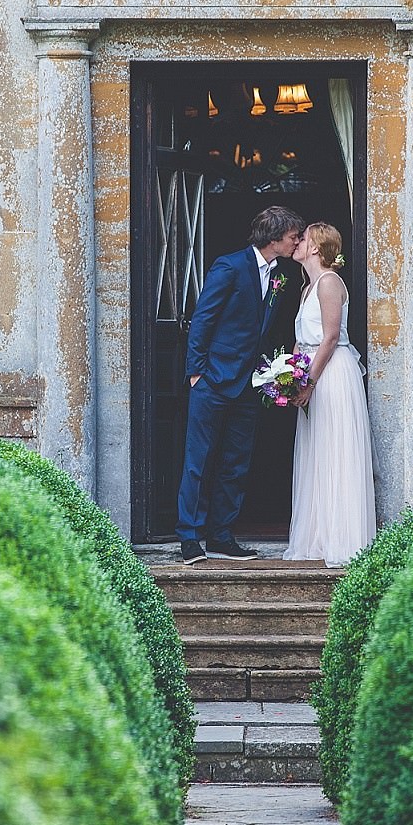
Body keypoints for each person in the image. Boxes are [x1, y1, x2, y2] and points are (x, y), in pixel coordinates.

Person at [176, 205, 306, 564]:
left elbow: (266, 328)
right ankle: (189, 537)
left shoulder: (281, 274)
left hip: (250, 383)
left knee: (236, 463)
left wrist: (271, 370)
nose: (298, 240)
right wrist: (196, 372)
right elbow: (203, 318)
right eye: (293, 235)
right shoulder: (230, 266)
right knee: (197, 461)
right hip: (213, 380)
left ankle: (221, 535)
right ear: (275, 237)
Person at [283, 222, 377, 567]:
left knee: (336, 450)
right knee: (316, 452)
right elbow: (302, 338)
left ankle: (344, 538)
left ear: (316, 248)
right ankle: (317, 537)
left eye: (303, 238)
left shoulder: (329, 283)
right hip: (312, 370)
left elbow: (330, 337)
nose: (297, 242)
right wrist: (288, 376)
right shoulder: (306, 286)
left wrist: (308, 381)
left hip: (332, 373)